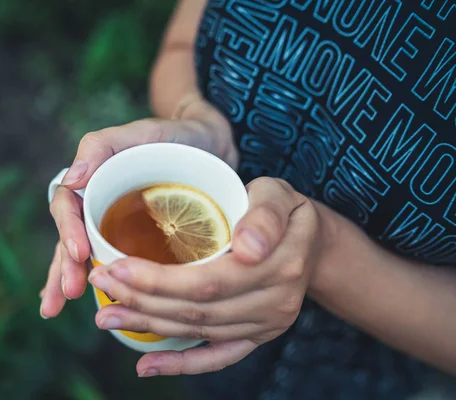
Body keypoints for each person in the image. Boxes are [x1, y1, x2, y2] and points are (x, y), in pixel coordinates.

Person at [42, 0, 456, 398]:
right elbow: (182, 46)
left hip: (350, 367)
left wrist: (322, 252)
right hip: (196, 332)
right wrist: (197, 120)